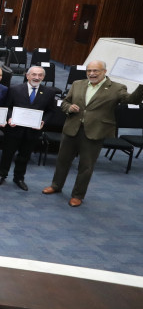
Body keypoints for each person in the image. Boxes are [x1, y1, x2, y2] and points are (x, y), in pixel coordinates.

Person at [43, 60, 143, 207]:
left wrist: (141, 85)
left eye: (96, 71)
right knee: (62, 161)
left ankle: (77, 195)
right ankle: (56, 185)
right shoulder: (78, 84)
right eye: (89, 71)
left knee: (86, 166)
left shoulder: (117, 88)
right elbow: (65, 102)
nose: (92, 74)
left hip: (94, 132)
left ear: (104, 71)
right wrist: (69, 107)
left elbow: (132, 99)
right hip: (72, 128)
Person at [0, 66, 57, 191]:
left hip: (32, 131)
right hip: (14, 129)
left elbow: (51, 111)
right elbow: (7, 107)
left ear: (43, 77)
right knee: (7, 153)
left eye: (40, 75)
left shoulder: (49, 92)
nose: (36, 77)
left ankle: (19, 178)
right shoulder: (15, 89)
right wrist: (10, 118)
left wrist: (43, 121)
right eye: (34, 74)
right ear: (27, 76)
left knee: (25, 156)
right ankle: (1, 175)